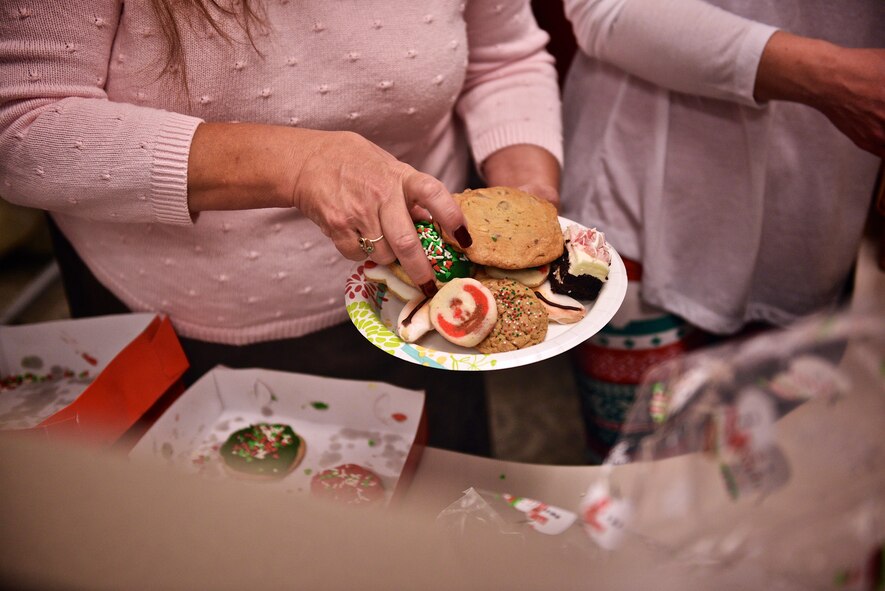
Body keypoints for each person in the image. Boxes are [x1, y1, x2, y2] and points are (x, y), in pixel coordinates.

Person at [0, 0, 563, 456]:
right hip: (178, 325)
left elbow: (503, 59)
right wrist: (298, 165)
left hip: (428, 302)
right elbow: (20, 124)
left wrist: (525, 200)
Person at [558, 0, 884, 462]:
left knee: (758, 477)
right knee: (636, 478)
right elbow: (602, 8)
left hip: (816, 214)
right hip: (644, 201)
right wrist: (834, 78)